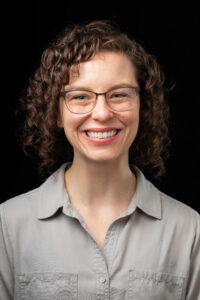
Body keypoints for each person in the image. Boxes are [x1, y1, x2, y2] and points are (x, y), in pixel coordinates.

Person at [0, 20, 199, 300]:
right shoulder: (8, 226)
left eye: (119, 95)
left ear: (144, 107)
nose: (102, 113)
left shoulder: (190, 230)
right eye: (80, 97)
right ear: (55, 113)